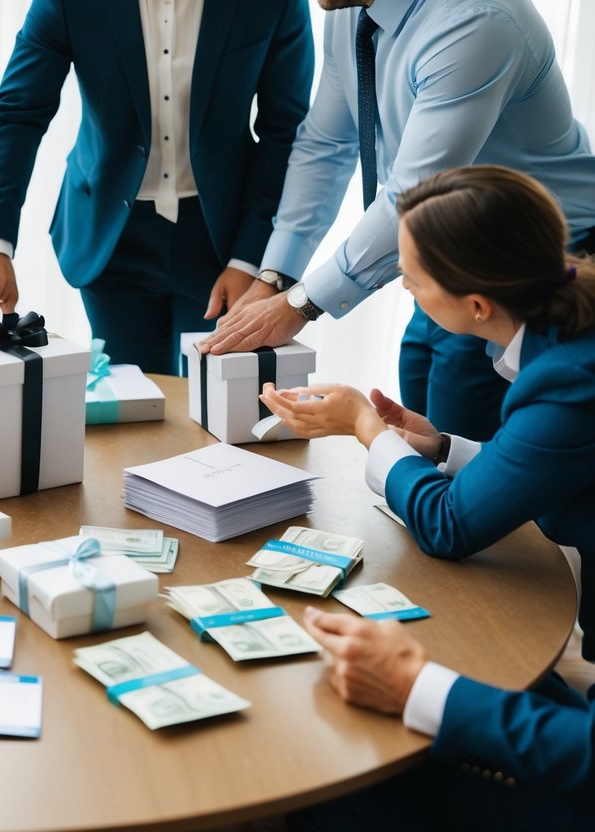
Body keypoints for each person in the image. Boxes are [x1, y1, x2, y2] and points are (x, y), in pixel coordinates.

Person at [259, 165, 595, 829]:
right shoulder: (565, 331)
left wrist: (362, 426)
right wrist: (440, 447)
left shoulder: (568, 378)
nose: (403, 289)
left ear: (474, 305)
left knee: (332, 785)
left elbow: (446, 525)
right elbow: (559, 460)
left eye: (411, 278)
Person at [202, 0, 595, 442]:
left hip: (527, 267)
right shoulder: (349, 11)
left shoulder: (476, 20)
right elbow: (326, 145)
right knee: (425, 432)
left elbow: (408, 194)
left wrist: (302, 304)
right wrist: (275, 278)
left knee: (465, 475)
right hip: (443, 260)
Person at [0, 0, 314, 375]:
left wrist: (249, 259)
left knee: (219, 408)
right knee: (131, 406)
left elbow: (286, 131)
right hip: (112, 240)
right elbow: (17, 116)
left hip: (227, 237)